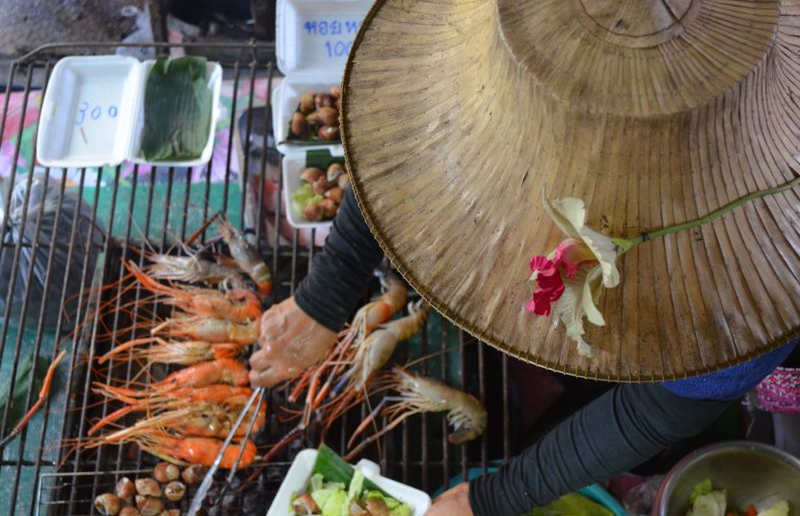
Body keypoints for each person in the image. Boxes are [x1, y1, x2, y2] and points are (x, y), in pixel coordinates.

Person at [250, 188, 799, 516]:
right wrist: (326, 295)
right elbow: (394, 131)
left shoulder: (761, 267)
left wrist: (494, 499)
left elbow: (660, 408)